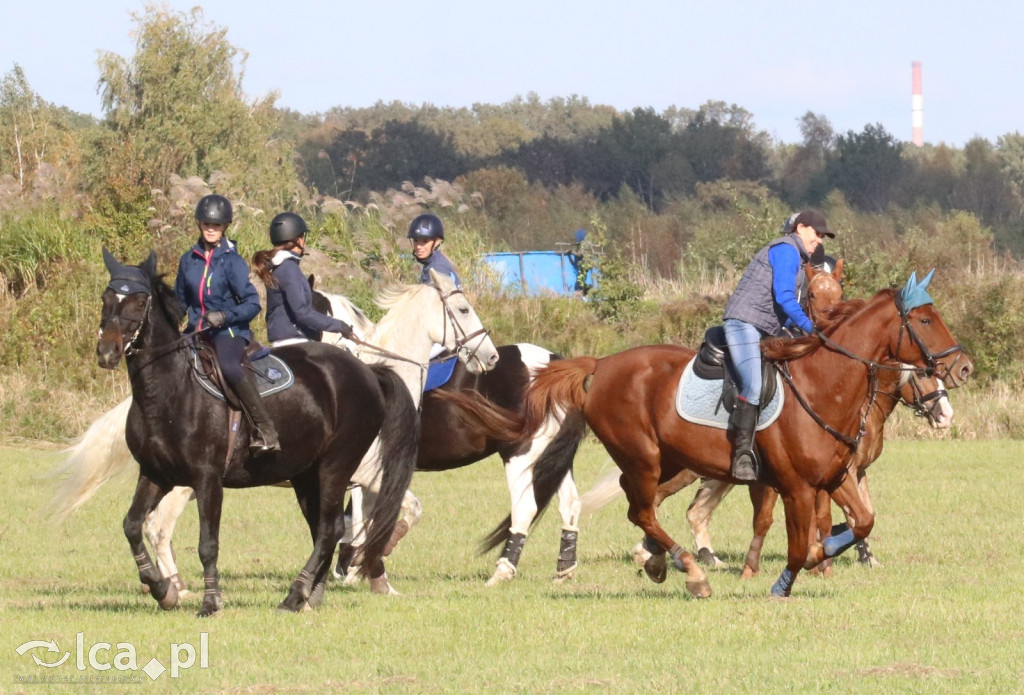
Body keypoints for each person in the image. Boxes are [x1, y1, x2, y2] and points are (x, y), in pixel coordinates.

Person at [722, 209, 835, 481]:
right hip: (744, 322)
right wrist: (811, 329)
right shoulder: (786, 250)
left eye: (822, 236)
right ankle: (742, 455)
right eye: (816, 234)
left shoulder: (796, 255)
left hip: (765, 326)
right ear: (801, 229)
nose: (819, 240)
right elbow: (785, 298)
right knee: (754, 385)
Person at [174, 194, 280, 456]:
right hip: (195, 331)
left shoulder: (232, 261)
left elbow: (252, 303)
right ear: (199, 224)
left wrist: (224, 316)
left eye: (217, 225)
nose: (211, 229)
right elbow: (179, 302)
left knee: (230, 367)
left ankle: (265, 429)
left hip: (228, 331)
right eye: (207, 224)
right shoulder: (188, 260)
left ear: (225, 227)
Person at [251, 211, 355, 346]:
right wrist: (339, 325)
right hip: (296, 340)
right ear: (298, 240)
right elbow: (302, 313)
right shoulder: (289, 268)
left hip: (284, 339)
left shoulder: (278, 267)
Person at [408, 213, 461, 288]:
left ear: (437, 242)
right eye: (416, 240)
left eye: (425, 241)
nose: (418, 246)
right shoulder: (437, 260)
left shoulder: (437, 268)